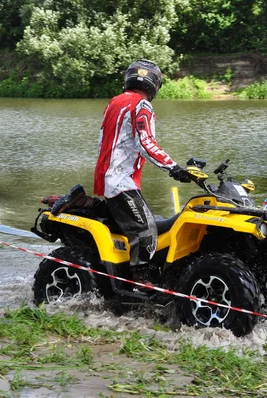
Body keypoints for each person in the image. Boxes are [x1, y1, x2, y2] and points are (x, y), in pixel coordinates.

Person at [93, 59, 189, 286]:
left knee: (137, 221)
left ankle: (88, 205)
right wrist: (174, 168)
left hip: (108, 177)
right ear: (154, 84)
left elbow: (103, 141)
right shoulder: (142, 105)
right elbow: (145, 143)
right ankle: (141, 280)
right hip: (121, 181)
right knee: (147, 229)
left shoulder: (115, 102)